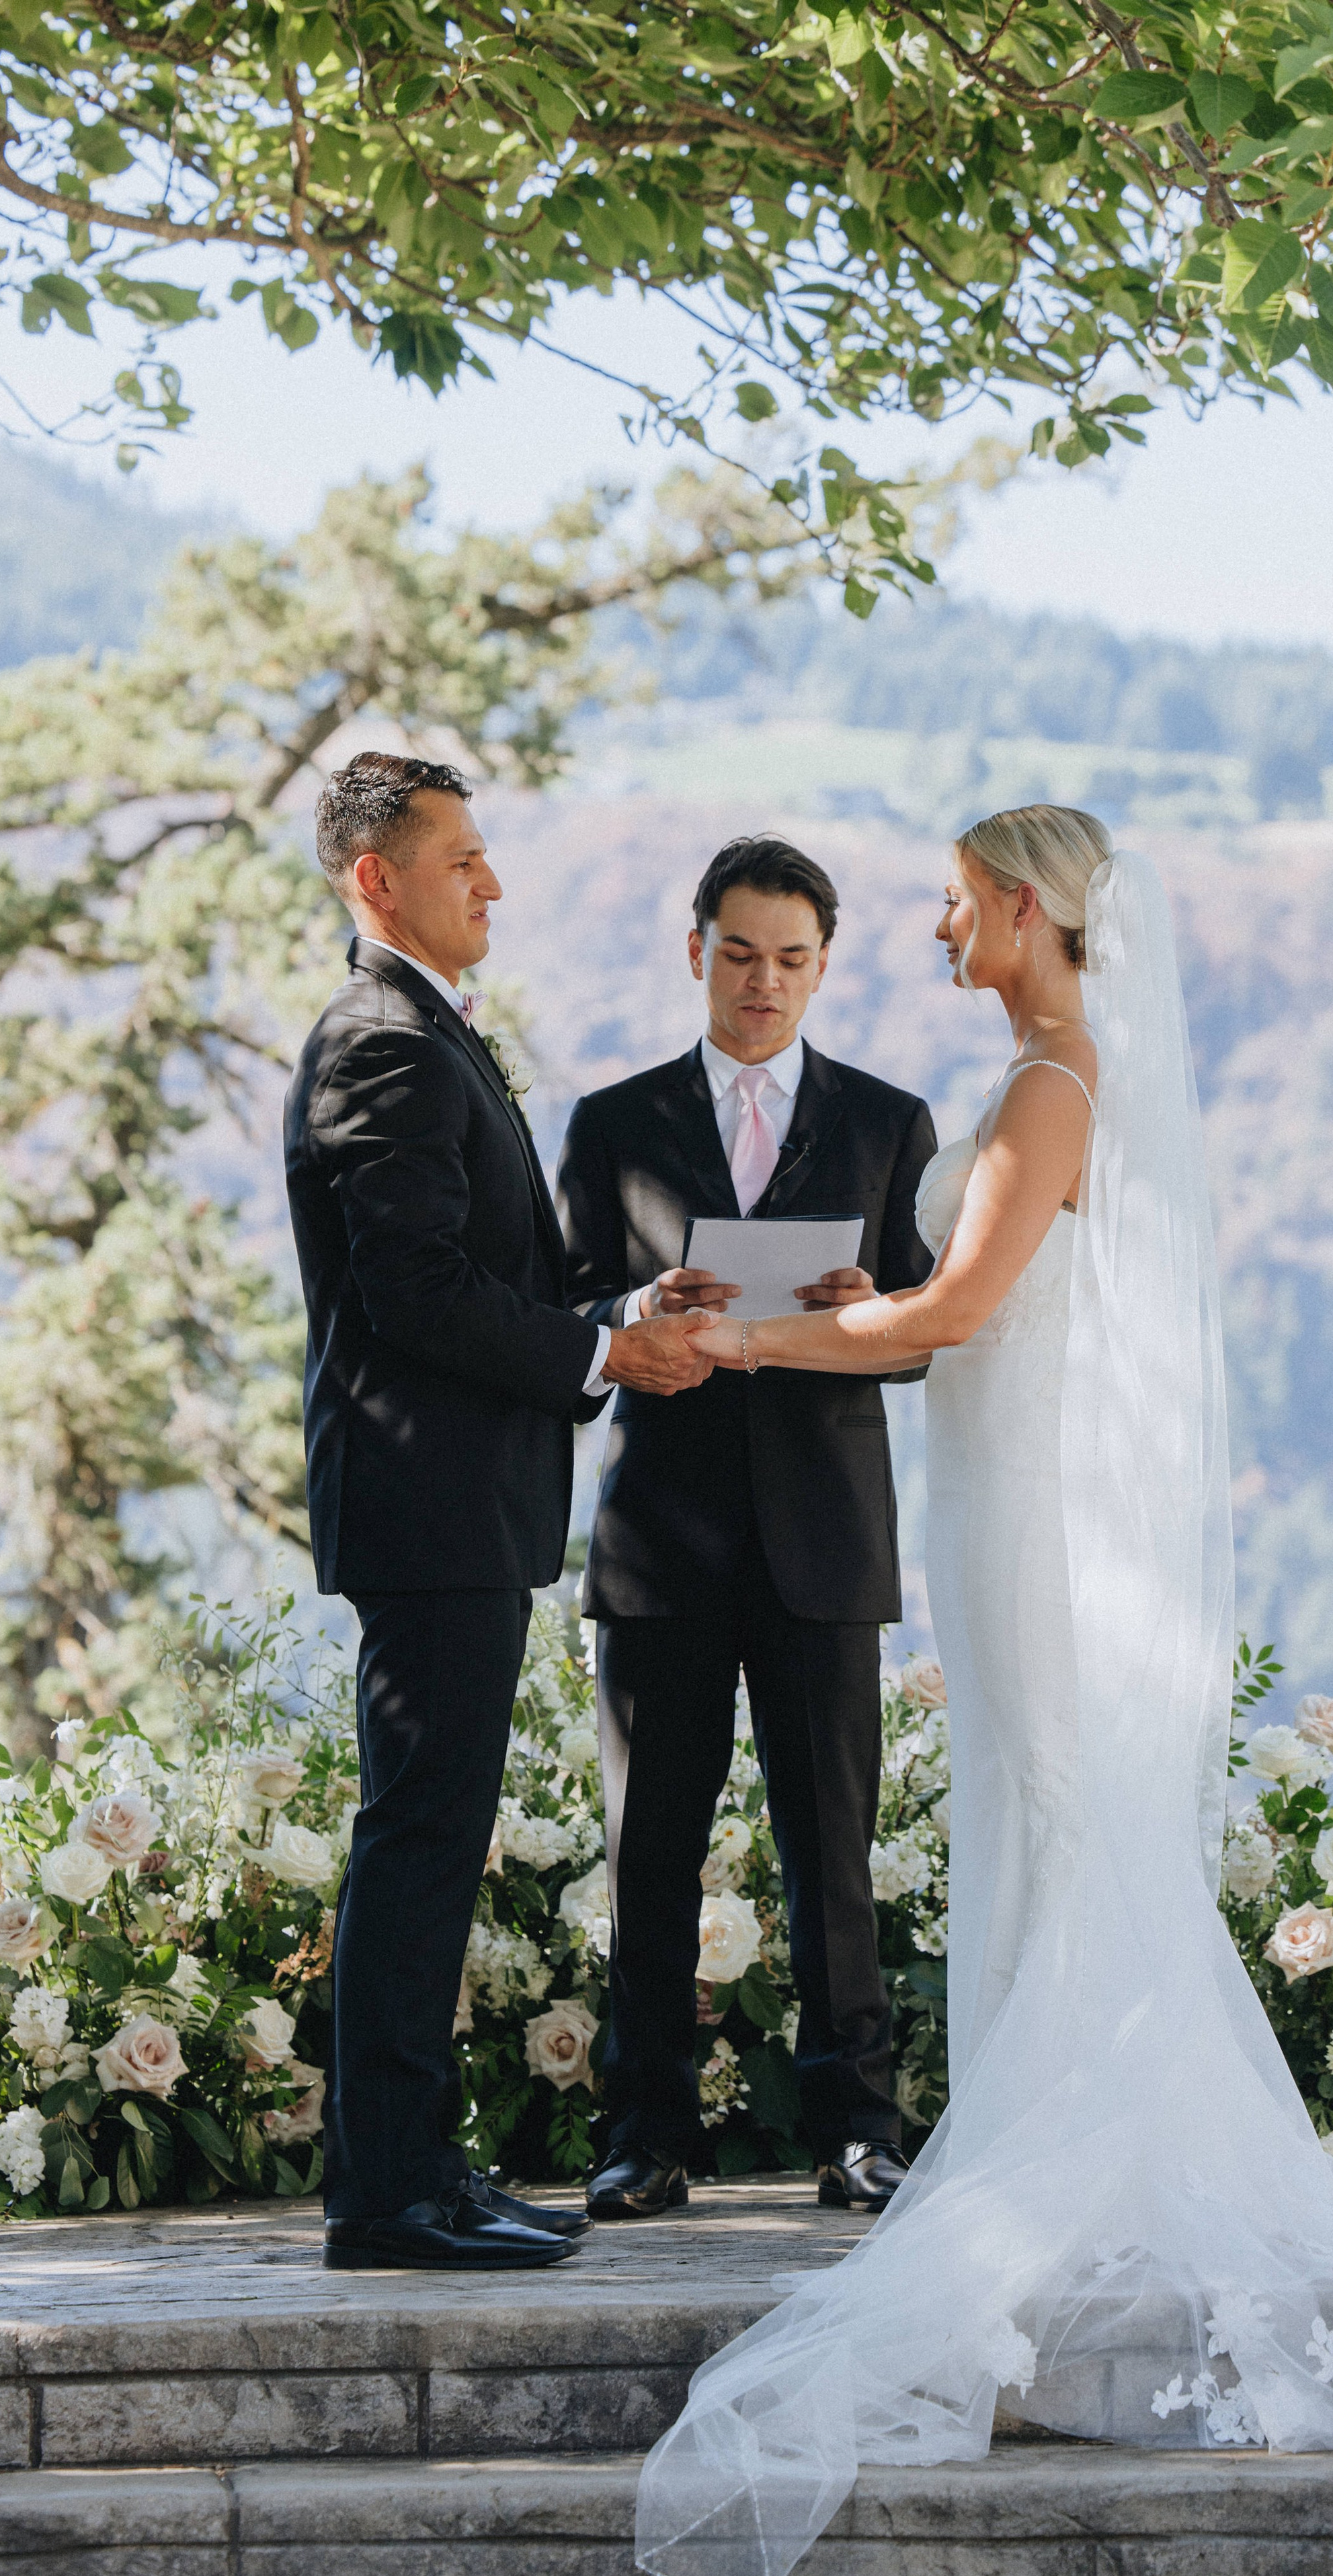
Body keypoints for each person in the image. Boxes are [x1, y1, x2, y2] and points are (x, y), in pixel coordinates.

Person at [635, 805, 1333, 2576]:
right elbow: (980, 1295)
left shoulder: (1046, 1089)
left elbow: (960, 1318)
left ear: (1024, 910)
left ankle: (1055, 2162)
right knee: (1039, 1793)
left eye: (955, 907)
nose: (939, 935)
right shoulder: (1054, 1082)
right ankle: (1042, 2136)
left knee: (1051, 1796)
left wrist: (753, 1335)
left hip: (1025, 1507)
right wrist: (880, 1294)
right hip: (1003, 1483)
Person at [284, 750, 711, 2271]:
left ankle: (414, 2170)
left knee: (435, 1831)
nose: (493, 881)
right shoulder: (380, 1044)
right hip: (426, 1508)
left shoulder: (418, 1033)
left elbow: (474, 1282)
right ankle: (389, 2193)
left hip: (452, 1507)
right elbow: (414, 1298)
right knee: (417, 1836)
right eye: (460, 856)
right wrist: (606, 1351)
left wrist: (617, 1304)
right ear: (373, 878)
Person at [557, 835, 939, 2222]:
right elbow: (570, 1306)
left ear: (822, 966)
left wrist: (859, 1311)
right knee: (647, 1851)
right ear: (694, 952)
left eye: (790, 959)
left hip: (826, 1538)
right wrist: (636, 1314)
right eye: (737, 953)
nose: (762, 982)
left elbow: (921, 1339)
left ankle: (858, 2132)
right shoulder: (611, 1121)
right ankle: (640, 2137)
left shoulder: (890, 1121)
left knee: (831, 1846)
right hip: (659, 1540)